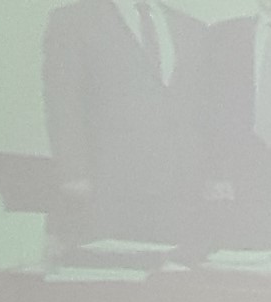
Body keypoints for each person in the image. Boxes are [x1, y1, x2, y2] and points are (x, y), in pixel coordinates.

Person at [40, 0, 206, 246]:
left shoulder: (192, 28)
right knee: (112, 265)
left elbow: (199, 109)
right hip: (108, 188)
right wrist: (74, 173)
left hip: (179, 194)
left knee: (176, 267)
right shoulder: (74, 20)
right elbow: (62, 102)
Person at [197, 0, 271, 245]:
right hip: (238, 168)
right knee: (237, 249)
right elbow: (206, 110)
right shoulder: (221, 36)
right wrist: (215, 170)